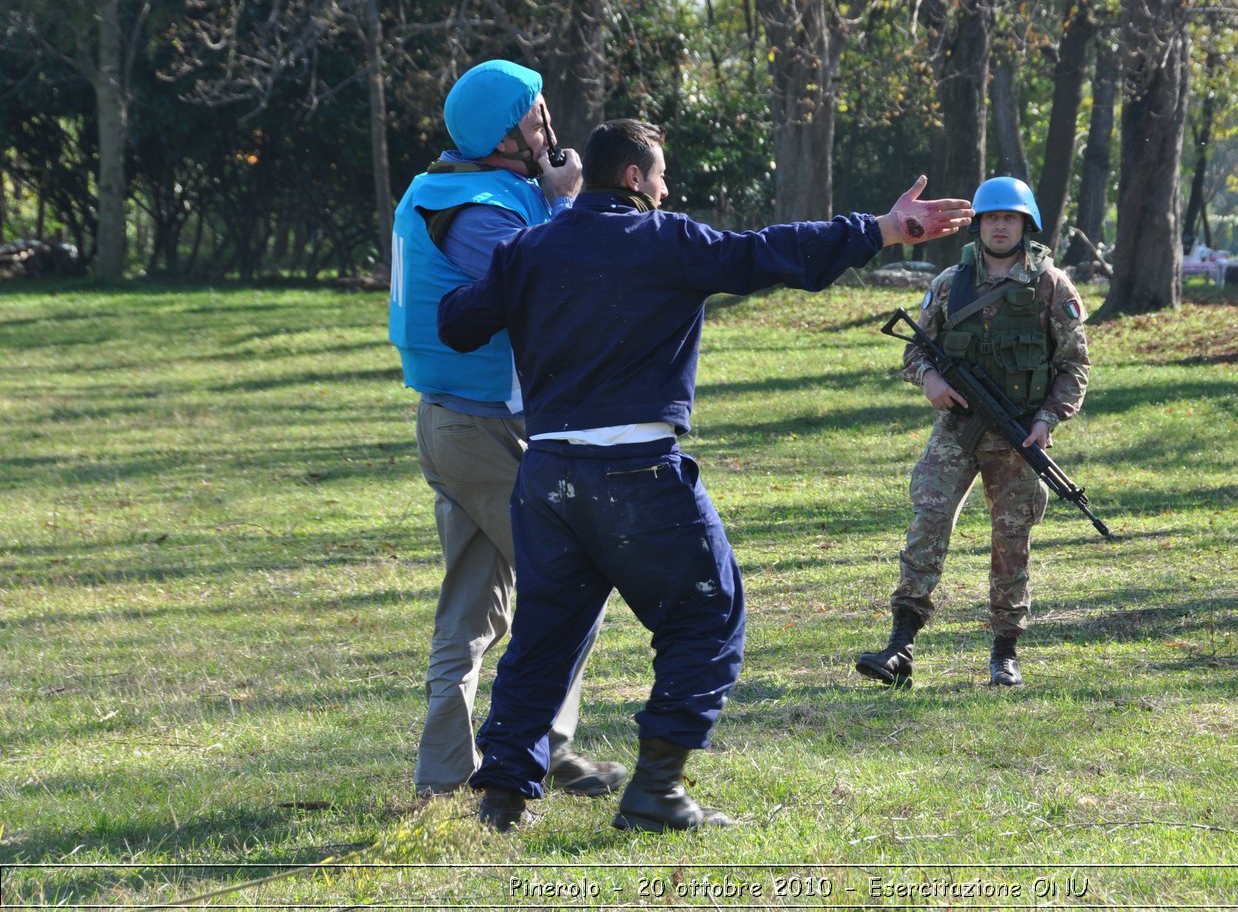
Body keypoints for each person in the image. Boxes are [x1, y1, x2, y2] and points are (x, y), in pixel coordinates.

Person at [437, 118, 972, 832]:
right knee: (709, 617)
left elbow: (459, 323)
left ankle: (502, 796)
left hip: (549, 478)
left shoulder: (527, 249)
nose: (667, 188)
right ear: (634, 178)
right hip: (637, 475)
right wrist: (878, 228)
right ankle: (657, 788)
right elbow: (769, 253)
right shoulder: (666, 240)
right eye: (660, 176)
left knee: (543, 633)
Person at [388, 59, 623, 800]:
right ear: (501, 134)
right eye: (535, 116)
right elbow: (551, 283)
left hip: (459, 423)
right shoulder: (481, 210)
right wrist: (569, 201)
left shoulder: (465, 188)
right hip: (482, 428)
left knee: (472, 608)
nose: (549, 127)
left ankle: (443, 776)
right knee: (571, 579)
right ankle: (542, 750)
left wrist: (550, 198)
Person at [854, 176, 1089, 690]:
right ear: (979, 224)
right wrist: (930, 379)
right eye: (991, 217)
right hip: (956, 429)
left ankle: (1004, 651)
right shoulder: (948, 283)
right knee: (928, 523)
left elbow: (1074, 367)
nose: (1000, 226)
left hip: (1020, 434)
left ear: (1025, 225)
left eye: (1010, 218)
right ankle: (901, 646)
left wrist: (1048, 419)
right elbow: (915, 350)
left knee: (1012, 541)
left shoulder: (1051, 285)